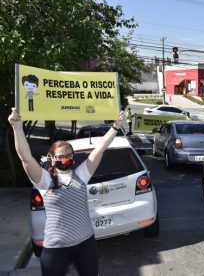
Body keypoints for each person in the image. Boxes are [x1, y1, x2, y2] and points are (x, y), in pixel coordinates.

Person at [8, 107, 124, 276]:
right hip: (56, 249)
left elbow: (100, 148)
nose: (66, 159)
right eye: (61, 156)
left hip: (86, 244)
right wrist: (17, 128)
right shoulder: (44, 180)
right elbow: (25, 158)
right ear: (51, 158)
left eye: (69, 155)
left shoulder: (81, 175)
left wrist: (115, 126)